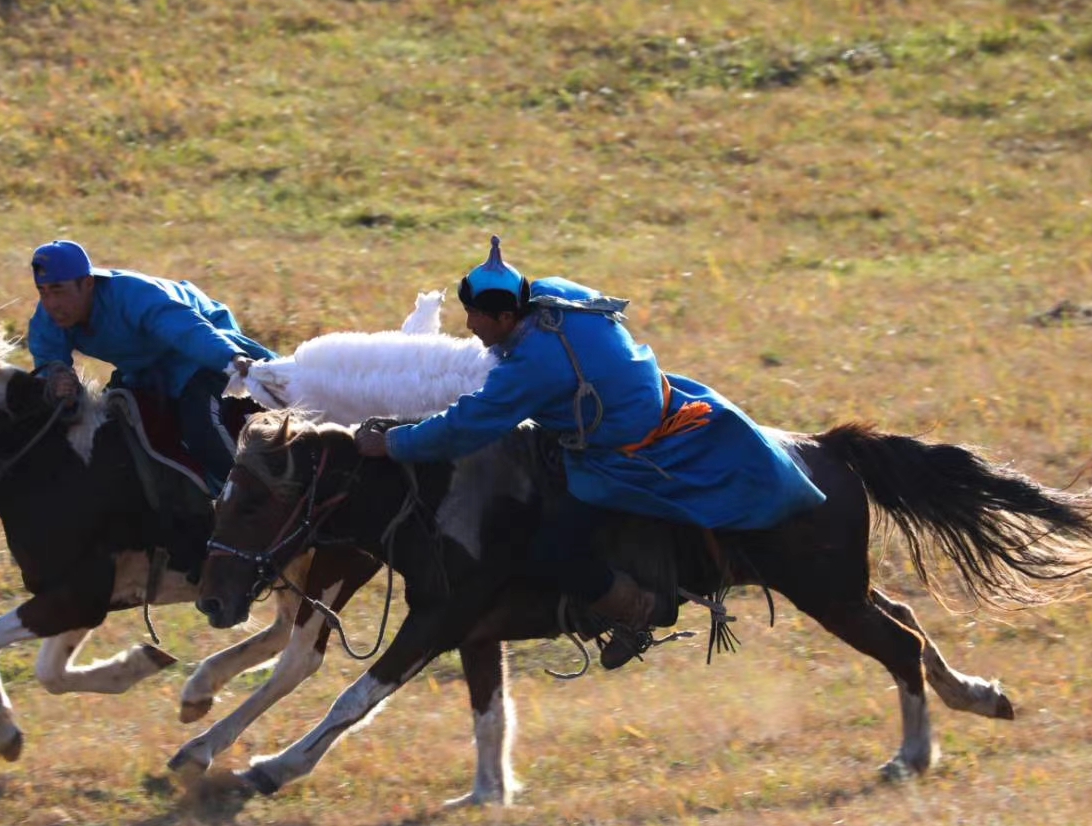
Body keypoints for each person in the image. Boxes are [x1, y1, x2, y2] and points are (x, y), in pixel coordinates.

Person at [354, 236, 826, 667]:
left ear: (505, 317)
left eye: (477, 316)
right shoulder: (551, 294)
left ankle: (632, 612)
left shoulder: (532, 366)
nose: (469, 325)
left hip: (617, 452)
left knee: (552, 548)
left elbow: (465, 426)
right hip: (647, 399)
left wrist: (394, 443)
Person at [26, 239, 273, 486]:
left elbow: (187, 331)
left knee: (200, 427)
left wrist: (230, 358)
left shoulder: (132, 294)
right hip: (143, 371)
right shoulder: (48, 317)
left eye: (58, 290)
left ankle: (250, 499)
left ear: (88, 283)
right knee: (106, 432)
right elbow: (48, 360)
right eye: (43, 292)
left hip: (202, 353)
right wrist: (57, 381)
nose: (51, 303)